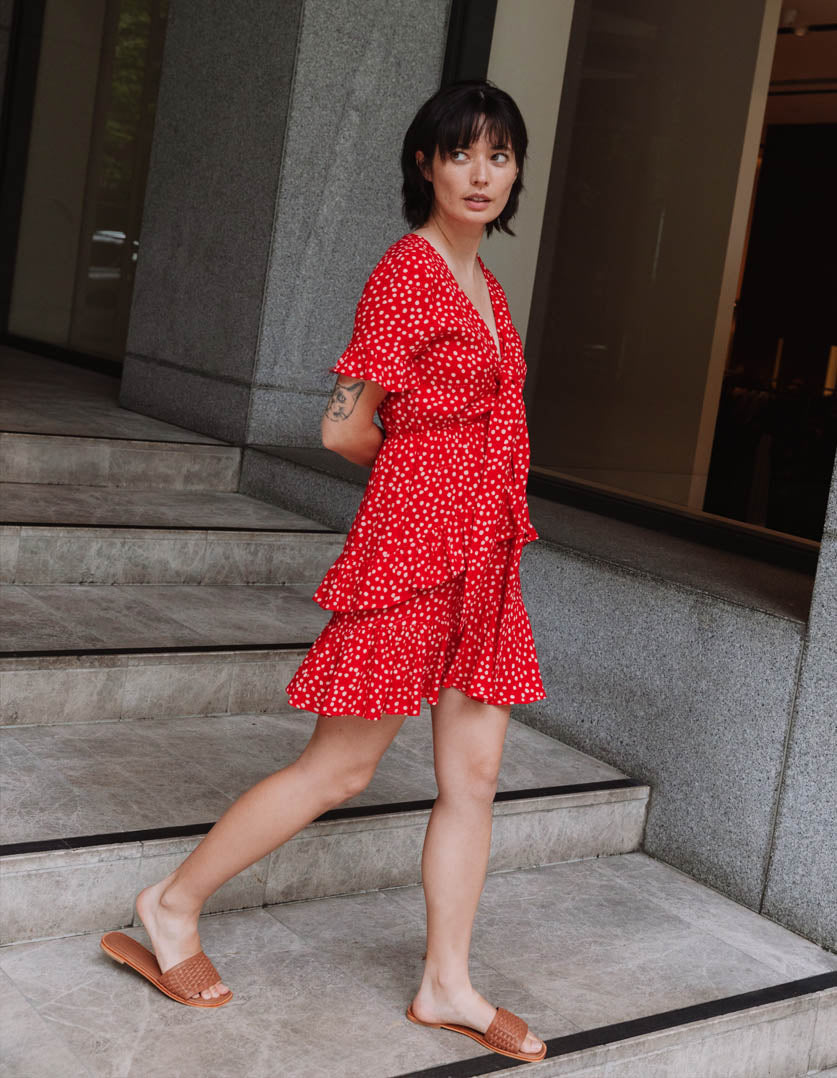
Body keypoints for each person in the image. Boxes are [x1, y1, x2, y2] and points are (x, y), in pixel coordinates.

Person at [100, 78, 548, 1065]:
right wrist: (425, 477)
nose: (482, 174)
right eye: (461, 153)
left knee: (473, 775)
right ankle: (169, 904)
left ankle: (447, 982)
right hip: (415, 550)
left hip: (483, 554)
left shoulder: (487, 284)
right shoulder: (410, 271)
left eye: (500, 156)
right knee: (338, 768)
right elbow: (344, 424)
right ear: (424, 165)